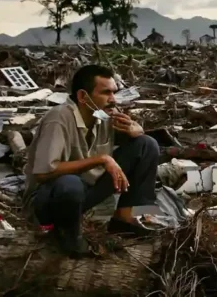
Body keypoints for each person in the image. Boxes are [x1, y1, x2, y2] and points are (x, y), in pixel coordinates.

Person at [24, 65, 160, 257]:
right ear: (82, 96)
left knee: (147, 145)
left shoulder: (101, 115)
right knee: (69, 182)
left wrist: (137, 130)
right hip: (49, 200)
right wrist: (103, 159)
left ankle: (129, 216)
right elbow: (44, 172)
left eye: (114, 92)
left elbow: (138, 145)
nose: (113, 99)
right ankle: (67, 234)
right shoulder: (59, 117)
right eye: (106, 93)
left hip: (84, 194)